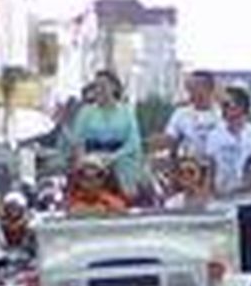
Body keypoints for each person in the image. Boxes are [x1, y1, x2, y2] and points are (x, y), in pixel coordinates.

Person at [205, 86, 251, 269]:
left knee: (247, 249)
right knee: (221, 251)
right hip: (220, 204)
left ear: (241, 108)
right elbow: (210, 167)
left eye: (228, 105)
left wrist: (236, 189)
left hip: (247, 202)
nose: (224, 110)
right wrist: (212, 192)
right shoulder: (215, 135)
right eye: (222, 106)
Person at [70, 69, 143, 199]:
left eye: (103, 86)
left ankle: (128, 199)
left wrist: (112, 157)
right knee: (86, 173)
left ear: (114, 88)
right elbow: (78, 142)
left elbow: (133, 142)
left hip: (120, 158)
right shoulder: (86, 112)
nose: (99, 90)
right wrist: (85, 160)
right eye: (96, 86)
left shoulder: (127, 111)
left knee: (125, 171)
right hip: (91, 159)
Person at [159, 70, 221, 162]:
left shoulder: (222, 115)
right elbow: (170, 141)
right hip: (188, 169)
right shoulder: (180, 114)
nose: (190, 93)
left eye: (195, 88)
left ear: (209, 89)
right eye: (189, 89)